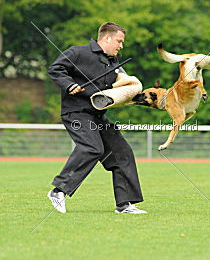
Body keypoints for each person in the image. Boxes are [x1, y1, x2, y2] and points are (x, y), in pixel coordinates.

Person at [47, 22, 146, 214]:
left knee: (122, 152)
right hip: (75, 113)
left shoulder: (115, 63)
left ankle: (124, 205)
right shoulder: (78, 52)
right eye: (119, 41)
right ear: (106, 38)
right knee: (92, 148)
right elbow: (55, 69)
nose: (121, 46)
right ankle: (58, 191)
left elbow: (126, 87)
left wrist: (150, 98)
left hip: (97, 116)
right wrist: (69, 85)